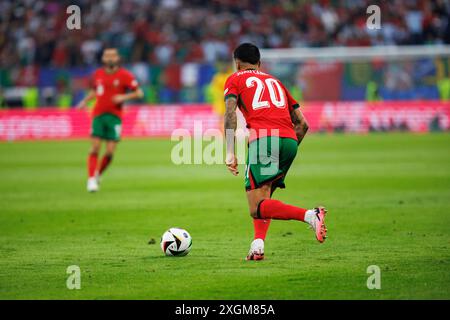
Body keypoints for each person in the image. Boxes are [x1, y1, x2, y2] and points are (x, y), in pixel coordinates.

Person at [223, 43, 328, 261]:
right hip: (289, 140)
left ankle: (311, 216)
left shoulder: (235, 79)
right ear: (259, 63)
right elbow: (303, 124)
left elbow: (230, 114)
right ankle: (258, 245)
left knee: (256, 206)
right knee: (265, 194)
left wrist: (230, 151)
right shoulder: (276, 82)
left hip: (264, 140)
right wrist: (286, 147)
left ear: (237, 63)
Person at [77, 48, 143, 192]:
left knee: (110, 152)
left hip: (115, 117)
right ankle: (91, 180)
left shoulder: (125, 75)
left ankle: (98, 174)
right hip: (98, 115)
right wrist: (85, 101)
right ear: (103, 59)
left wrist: (123, 97)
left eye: (113, 56)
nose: (110, 58)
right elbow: (96, 91)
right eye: (107, 56)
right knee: (94, 147)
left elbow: (139, 93)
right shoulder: (98, 74)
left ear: (118, 58)